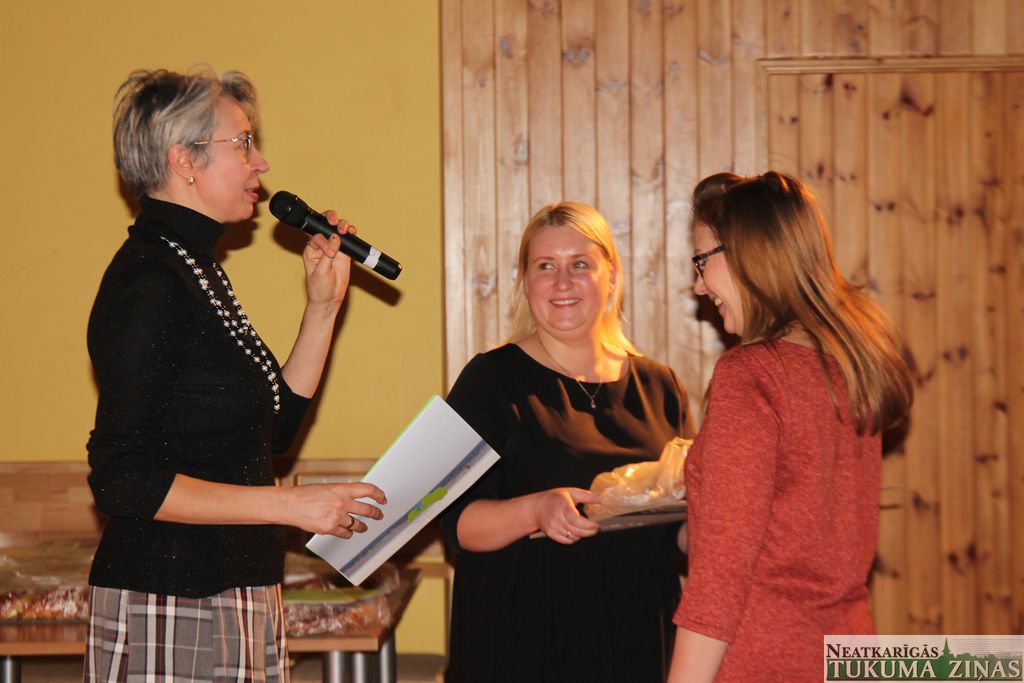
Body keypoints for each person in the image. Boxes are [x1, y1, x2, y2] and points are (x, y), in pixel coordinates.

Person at [85, 67, 387, 682]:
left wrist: (324, 307)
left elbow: (273, 433)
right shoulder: (151, 279)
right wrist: (288, 506)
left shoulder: (195, 269)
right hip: (171, 598)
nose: (261, 162)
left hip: (236, 590)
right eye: (243, 143)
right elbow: (121, 479)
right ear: (183, 160)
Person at [668, 171, 914, 682]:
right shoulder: (850, 368)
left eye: (702, 261)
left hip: (765, 660)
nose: (699, 285)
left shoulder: (752, 373)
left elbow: (719, 583)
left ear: (749, 253)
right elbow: (798, 534)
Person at [440, 201, 697, 683]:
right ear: (524, 281)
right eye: (545, 266)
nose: (562, 282)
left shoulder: (661, 386)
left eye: (580, 264)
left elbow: (680, 528)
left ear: (611, 278)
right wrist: (536, 510)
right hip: (522, 645)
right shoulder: (489, 380)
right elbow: (456, 524)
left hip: (637, 637)